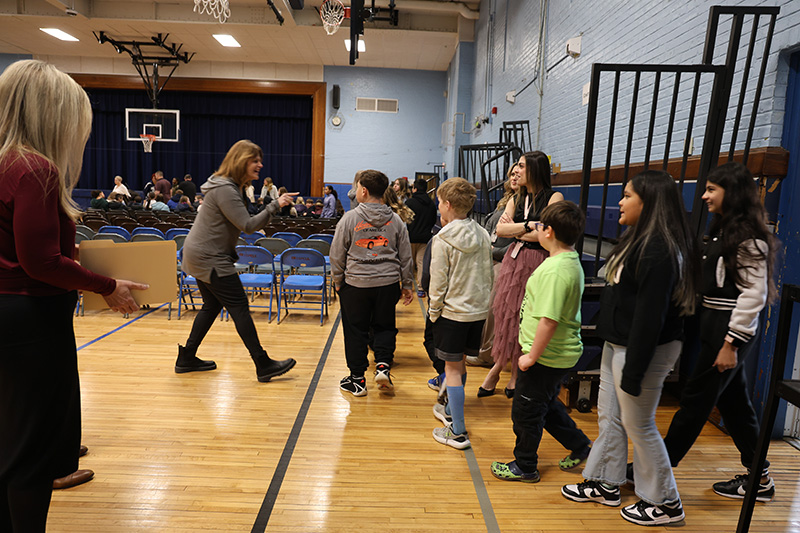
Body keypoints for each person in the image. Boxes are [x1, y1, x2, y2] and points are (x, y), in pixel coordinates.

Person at [0, 59, 146, 532]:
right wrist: (108, 286)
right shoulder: (34, 168)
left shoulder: (5, 163)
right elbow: (39, 263)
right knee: (30, 451)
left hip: (7, 314)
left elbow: (19, 245)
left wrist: (69, 251)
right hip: (30, 322)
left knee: (8, 438)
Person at [562, 170, 697, 527]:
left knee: (640, 425)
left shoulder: (659, 251)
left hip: (643, 351)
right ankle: (606, 482)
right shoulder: (637, 238)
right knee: (609, 415)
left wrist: (634, 372)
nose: (619, 202)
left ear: (648, 202)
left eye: (627, 196)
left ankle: (666, 501)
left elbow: (650, 319)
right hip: (618, 343)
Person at [655, 162, 777, 502]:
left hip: (728, 333)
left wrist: (731, 344)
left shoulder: (750, 239)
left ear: (732, 193)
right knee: (735, 403)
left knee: (694, 402)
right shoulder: (719, 230)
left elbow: (754, 296)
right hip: (712, 328)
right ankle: (760, 477)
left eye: (712, 190)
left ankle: (656, 469)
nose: (705, 195)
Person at [178, 140, 296, 382]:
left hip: (200, 253)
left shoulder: (231, 187)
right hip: (208, 257)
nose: (260, 165)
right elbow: (248, 225)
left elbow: (244, 221)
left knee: (211, 306)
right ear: (241, 161)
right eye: (255, 160)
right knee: (240, 307)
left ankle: (187, 357)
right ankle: (262, 363)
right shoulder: (225, 189)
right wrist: (276, 204)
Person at [490, 201, 592, 481]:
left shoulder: (556, 270)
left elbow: (549, 320)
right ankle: (580, 445)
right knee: (545, 405)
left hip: (545, 357)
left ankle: (525, 465)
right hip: (556, 354)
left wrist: (531, 356)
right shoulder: (568, 261)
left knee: (525, 411)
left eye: (539, 226)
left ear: (548, 232)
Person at [479, 152, 563, 398]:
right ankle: (498, 366)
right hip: (513, 261)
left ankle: (513, 372)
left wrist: (521, 231)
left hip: (537, 261)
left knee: (524, 317)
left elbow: (547, 234)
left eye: (522, 166)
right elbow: (501, 229)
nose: (517, 170)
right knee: (505, 315)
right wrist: (528, 226)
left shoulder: (553, 196)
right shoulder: (517, 197)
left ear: (535, 170)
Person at [331, 169, 414, 397]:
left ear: (363, 191)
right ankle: (383, 366)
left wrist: (338, 281)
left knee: (355, 331)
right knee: (385, 326)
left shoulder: (349, 218)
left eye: (357, 187)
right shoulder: (396, 220)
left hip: (356, 284)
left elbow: (337, 254)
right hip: (387, 283)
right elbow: (405, 256)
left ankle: (357, 380)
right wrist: (407, 284)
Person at [428, 178, 493, 450]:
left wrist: (433, 311)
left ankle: (457, 430)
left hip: (452, 313)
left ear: (448, 204)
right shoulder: (482, 233)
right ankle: (452, 413)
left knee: (452, 368)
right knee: (461, 362)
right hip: (477, 313)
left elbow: (438, 280)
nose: (438, 207)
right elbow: (488, 274)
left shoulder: (442, 238)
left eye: (440, 202)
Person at [468, 166, 519, 368]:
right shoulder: (507, 200)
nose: (514, 177)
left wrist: (492, 250)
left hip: (504, 261)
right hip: (492, 258)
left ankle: (487, 354)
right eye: (512, 174)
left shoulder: (525, 203)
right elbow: (493, 230)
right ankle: (483, 349)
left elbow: (514, 239)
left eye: (518, 173)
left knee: (493, 309)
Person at [405, 178, 437, 298]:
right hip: (425, 238)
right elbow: (433, 220)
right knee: (422, 264)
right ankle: (421, 289)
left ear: (415, 189)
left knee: (408, 263)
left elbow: (405, 220)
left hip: (410, 237)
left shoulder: (409, 203)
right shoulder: (431, 204)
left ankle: (406, 286)